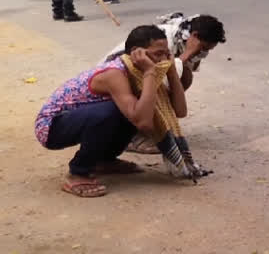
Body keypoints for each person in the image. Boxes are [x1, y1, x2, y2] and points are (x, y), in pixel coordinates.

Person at [35, 25, 187, 197]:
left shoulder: (141, 73)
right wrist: (150, 72)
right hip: (53, 127)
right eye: (158, 54)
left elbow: (180, 111)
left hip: (81, 118)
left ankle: (103, 160)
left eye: (166, 54)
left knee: (136, 107)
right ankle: (77, 173)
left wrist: (172, 71)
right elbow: (143, 122)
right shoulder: (115, 73)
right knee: (116, 112)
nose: (162, 60)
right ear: (137, 53)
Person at [102, 12, 226, 154]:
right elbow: (156, 75)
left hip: (142, 81)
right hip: (120, 86)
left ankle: (151, 125)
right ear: (195, 36)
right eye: (203, 48)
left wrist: (179, 62)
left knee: (185, 75)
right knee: (160, 86)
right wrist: (187, 54)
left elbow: (180, 108)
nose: (203, 53)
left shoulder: (182, 40)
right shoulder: (162, 41)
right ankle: (134, 135)